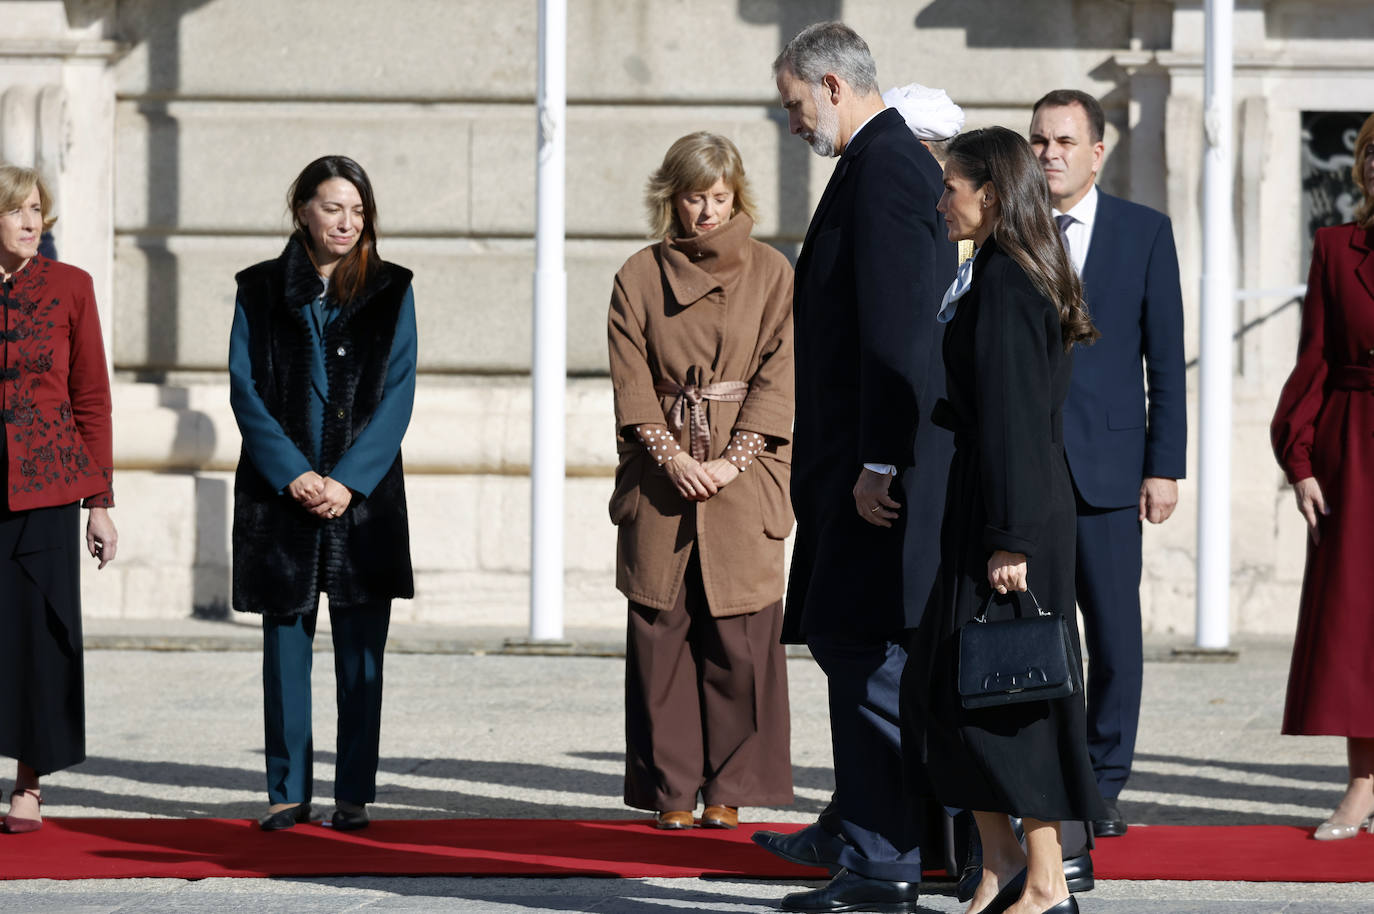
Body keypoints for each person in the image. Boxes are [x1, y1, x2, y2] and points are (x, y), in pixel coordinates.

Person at [760, 22, 955, 914]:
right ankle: (856, 823)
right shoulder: (874, 161)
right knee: (848, 643)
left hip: (874, 475)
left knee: (866, 654)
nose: (792, 121)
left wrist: (883, 459)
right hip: (853, 464)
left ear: (833, 85)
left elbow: (900, 331)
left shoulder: (886, 170)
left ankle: (883, 862)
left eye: (796, 104)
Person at [908, 126, 1102, 914]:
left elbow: (1020, 422)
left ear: (989, 194)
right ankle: (996, 863)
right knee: (948, 694)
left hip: (1012, 516)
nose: (940, 197)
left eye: (950, 184)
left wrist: (1009, 541)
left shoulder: (1012, 283)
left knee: (1012, 698)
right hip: (986, 502)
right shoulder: (989, 270)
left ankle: (1048, 878)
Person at [607, 132, 794, 831]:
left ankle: (731, 787)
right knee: (662, 635)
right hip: (661, 480)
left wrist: (733, 458)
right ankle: (671, 791)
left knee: (740, 641)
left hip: (743, 479)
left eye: (719, 197)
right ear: (671, 198)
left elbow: (782, 372)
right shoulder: (638, 274)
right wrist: (672, 456)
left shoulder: (775, 272)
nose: (707, 213)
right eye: (694, 198)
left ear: (735, 194)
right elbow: (629, 378)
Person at [228, 155, 417, 833]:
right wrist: (294, 473)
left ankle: (354, 795)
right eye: (333, 207)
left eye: (358, 210)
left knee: (362, 652)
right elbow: (245, 392)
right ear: (302, 208)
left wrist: (346, 481)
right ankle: (287, 791)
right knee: (285, 649)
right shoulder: (258, 289)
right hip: (281, 499)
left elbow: (398, 397)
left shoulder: (392, 289)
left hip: (363, 502)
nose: (347, 221)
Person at [1028, 89, 1186, 837]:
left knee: (1115, 632)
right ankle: (1046, 772)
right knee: (1036, 629)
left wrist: (1166, 464)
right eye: (1038, 141)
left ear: (1098, 151)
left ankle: (1104, 780)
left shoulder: (1144, 232)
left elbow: (1167, 361)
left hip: (1112, 468)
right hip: (1028, 469)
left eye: (1063, 141)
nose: (1049, 154)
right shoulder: (1010, 231)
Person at [0, 164, 117, 835]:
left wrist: (99, 501)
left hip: (47, 487)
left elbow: (92, 397)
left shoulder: (72, 287)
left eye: (37, 210)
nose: (30, 221)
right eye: (17, 210)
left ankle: (29, 781)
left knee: (41, 637)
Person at [1270, 112, 1374, 842]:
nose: (1373, 167)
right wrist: (1300, 460)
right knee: (1355, 623)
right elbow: (1314, 359)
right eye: (1370, 155)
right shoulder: (1335, 248)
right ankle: (1361, 788)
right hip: (1356, 450)